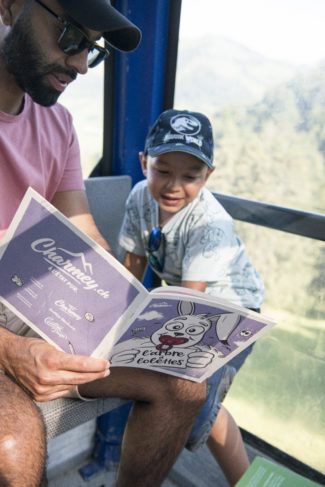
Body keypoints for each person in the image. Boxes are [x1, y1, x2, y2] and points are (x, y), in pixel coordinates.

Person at [0, 3, 207, 487]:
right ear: (10, 6)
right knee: (14, 445)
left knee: (185, 385)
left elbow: (82, 231)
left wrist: (130, 311)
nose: (78, 64)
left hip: (30, 301)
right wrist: (10, 349)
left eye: (91, 50)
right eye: (71, 36)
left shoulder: (57, 125)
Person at [118, 108, 266, 486]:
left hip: (231, 309)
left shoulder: (211, 223)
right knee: (198, 404)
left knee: (195, 404)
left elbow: (188, 302)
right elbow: (133, 264)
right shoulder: (139, 198)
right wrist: (116, 319)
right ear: (144, 162)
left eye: (190, 176)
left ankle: (246, 481)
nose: (173, 186)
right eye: (163, 170)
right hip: (186, 301)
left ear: (208, 176)